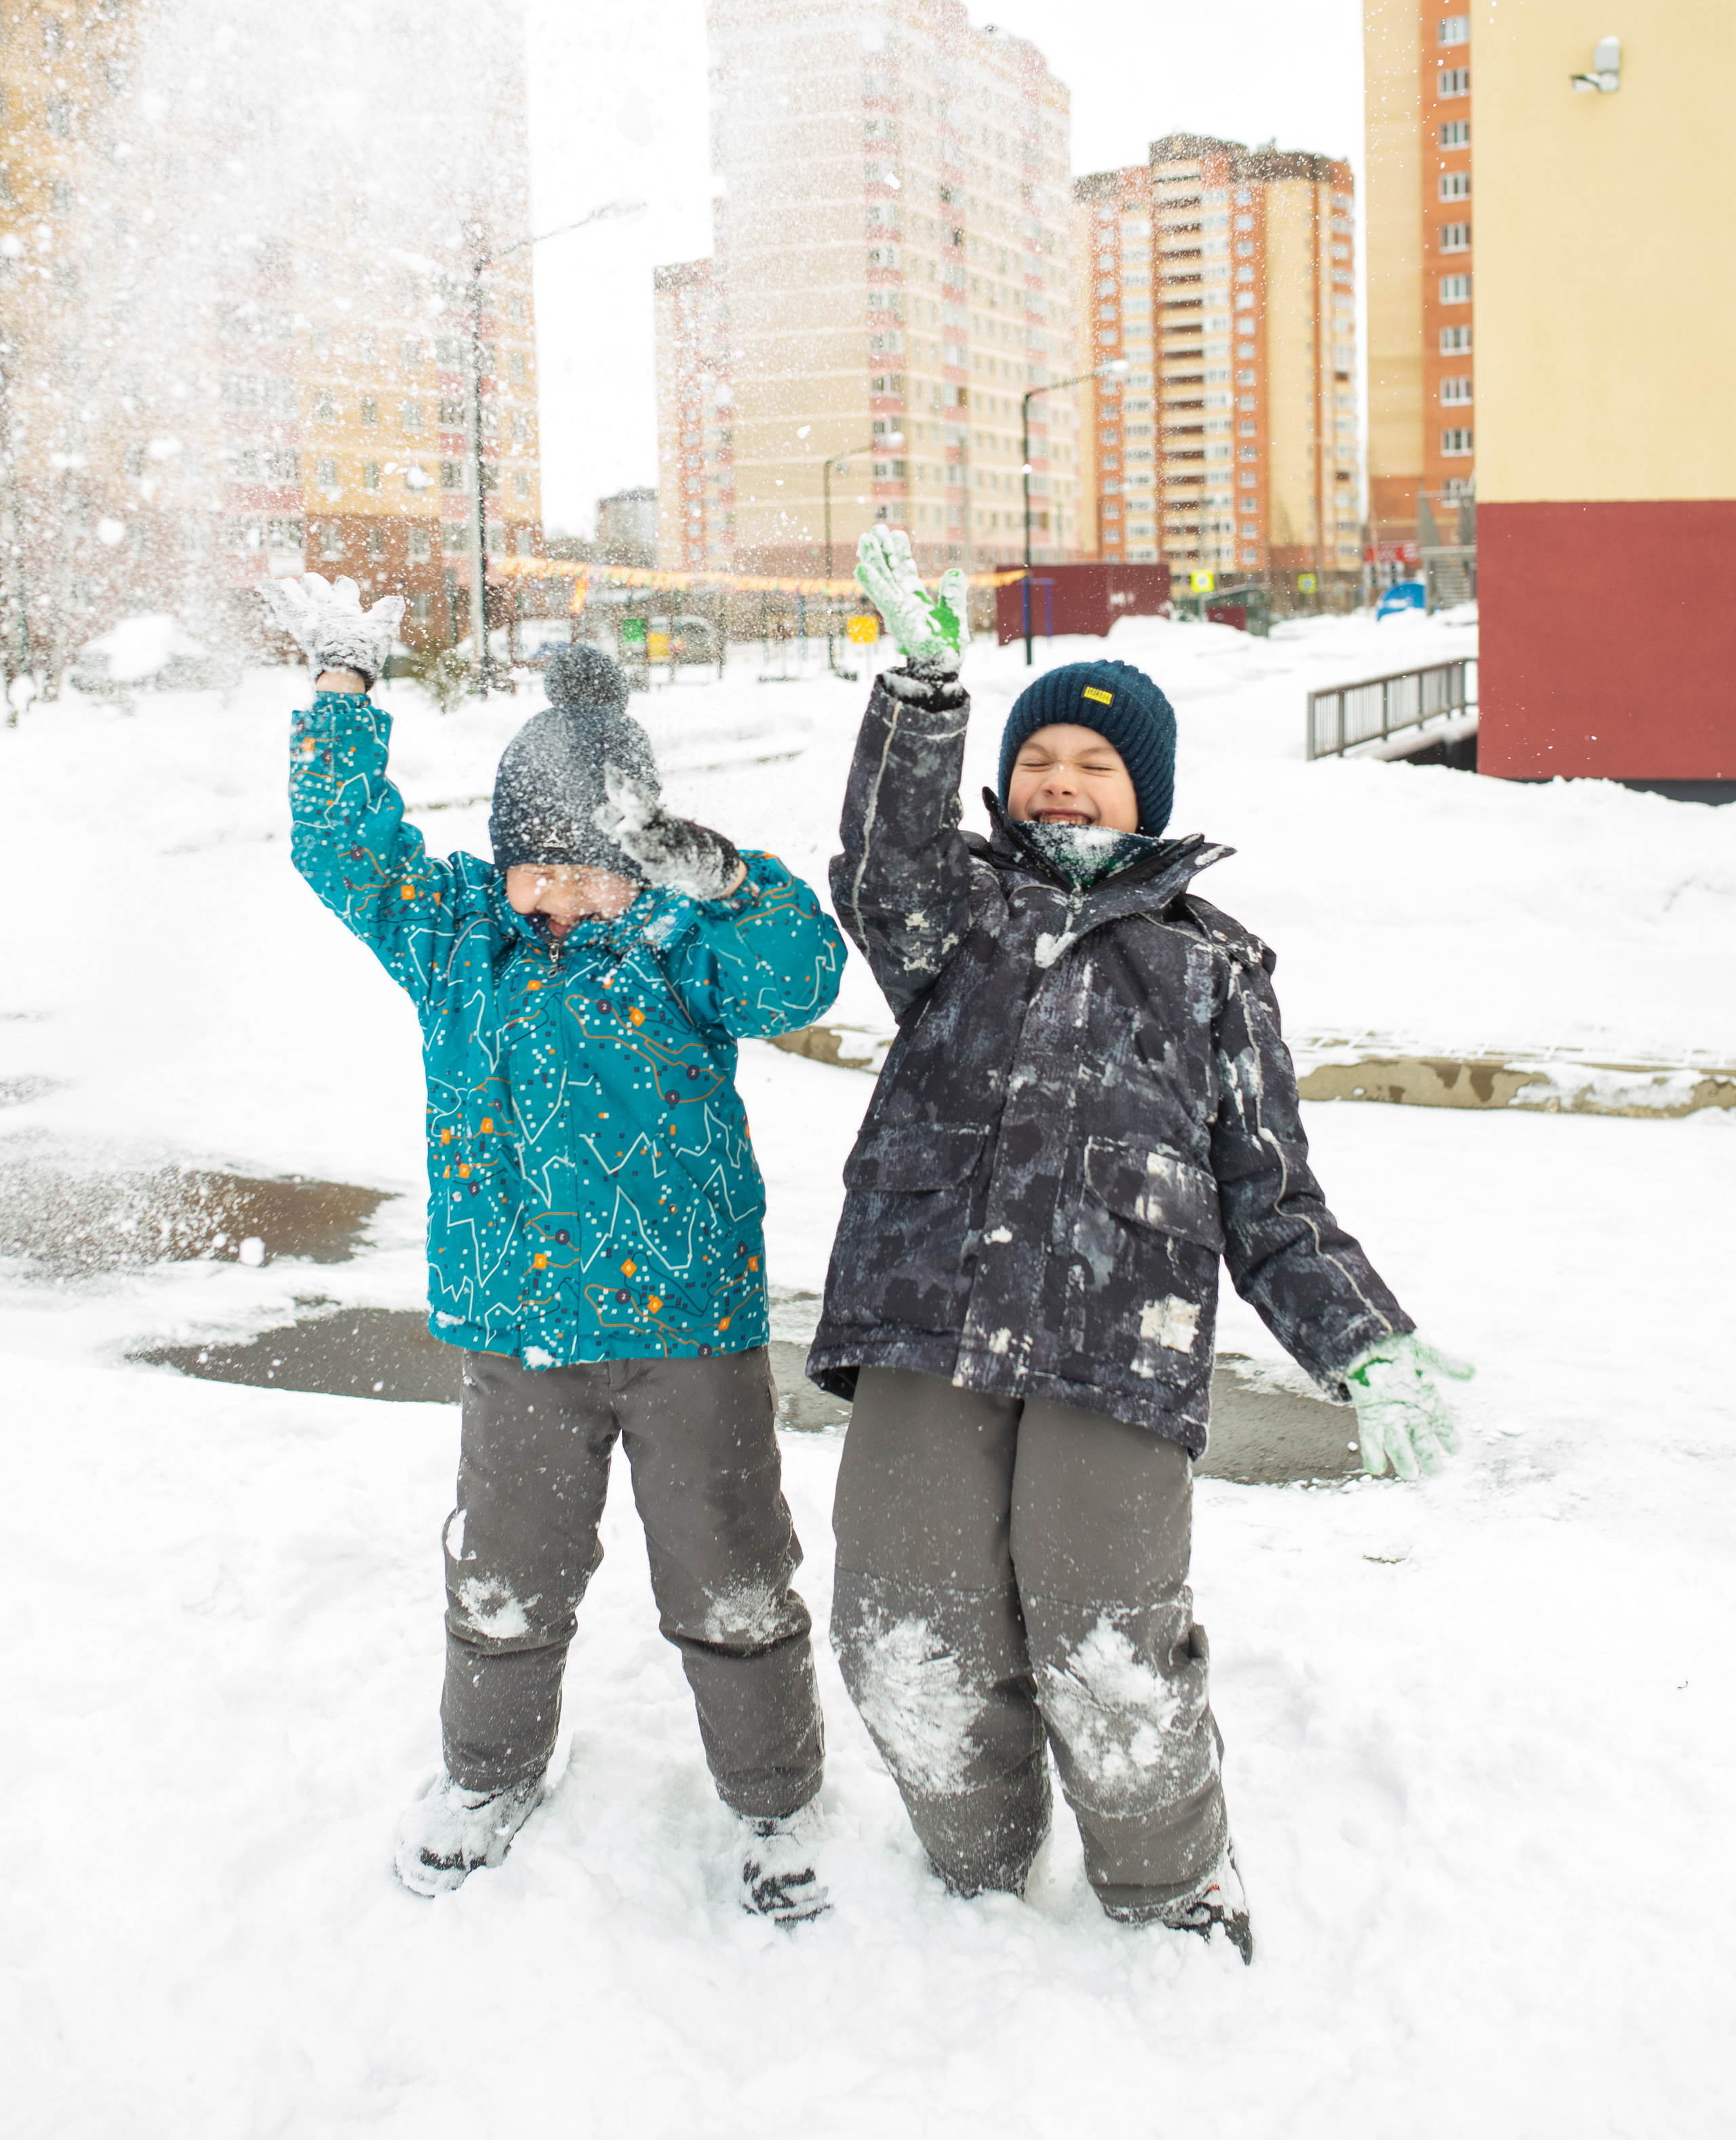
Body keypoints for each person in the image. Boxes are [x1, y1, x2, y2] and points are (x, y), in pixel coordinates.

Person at [808, 528, 1472, 1962]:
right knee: (899, 1622)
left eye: (1093, 767)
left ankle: (1167, 1887)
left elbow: (1269, 1194)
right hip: (927, 1315)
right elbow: (879, 860)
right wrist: (926, 697)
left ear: (1145, 795)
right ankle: (975, 1862)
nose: (1059, 781)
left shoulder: (1209, 967)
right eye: (1039, 758)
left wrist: (1361, 1337)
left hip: (1120, 1351)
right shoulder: (952, 918)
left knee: (1108, 1642)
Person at [262, 574, 846, 1918]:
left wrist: (735, 888)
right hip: (517, 1338)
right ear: (504, 854)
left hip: (688, 1333)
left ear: (635, 864)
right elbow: (342, 851)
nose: (562, 895)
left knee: (736, 1581)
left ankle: (772, 1803)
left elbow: (798, 982)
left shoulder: (677, 948)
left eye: (592, 867)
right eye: (539, 861)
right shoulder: (459, 941)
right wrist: (343, 698)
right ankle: (487, 1771)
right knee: (505, 1578)